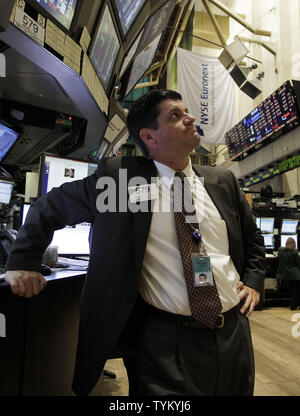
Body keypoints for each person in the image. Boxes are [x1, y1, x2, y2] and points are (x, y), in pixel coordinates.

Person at [4, 89, 266, 396]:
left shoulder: (222, 182)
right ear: (149, 137)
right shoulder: (124, 181)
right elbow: (47, 208)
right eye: (175, 115)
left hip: (234, 335)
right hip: (167, 345)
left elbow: (252, 237)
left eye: (186, 111)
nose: (190, 118)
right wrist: (22, 262)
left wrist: (254, 281)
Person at [276, 237, 300, 310]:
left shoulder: (280, 250)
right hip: (295, 276)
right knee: (296, 290)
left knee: (294, 289)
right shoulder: (295, 252)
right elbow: (298, 264)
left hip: (284, 275)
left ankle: (294, 305)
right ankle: (293, 306)